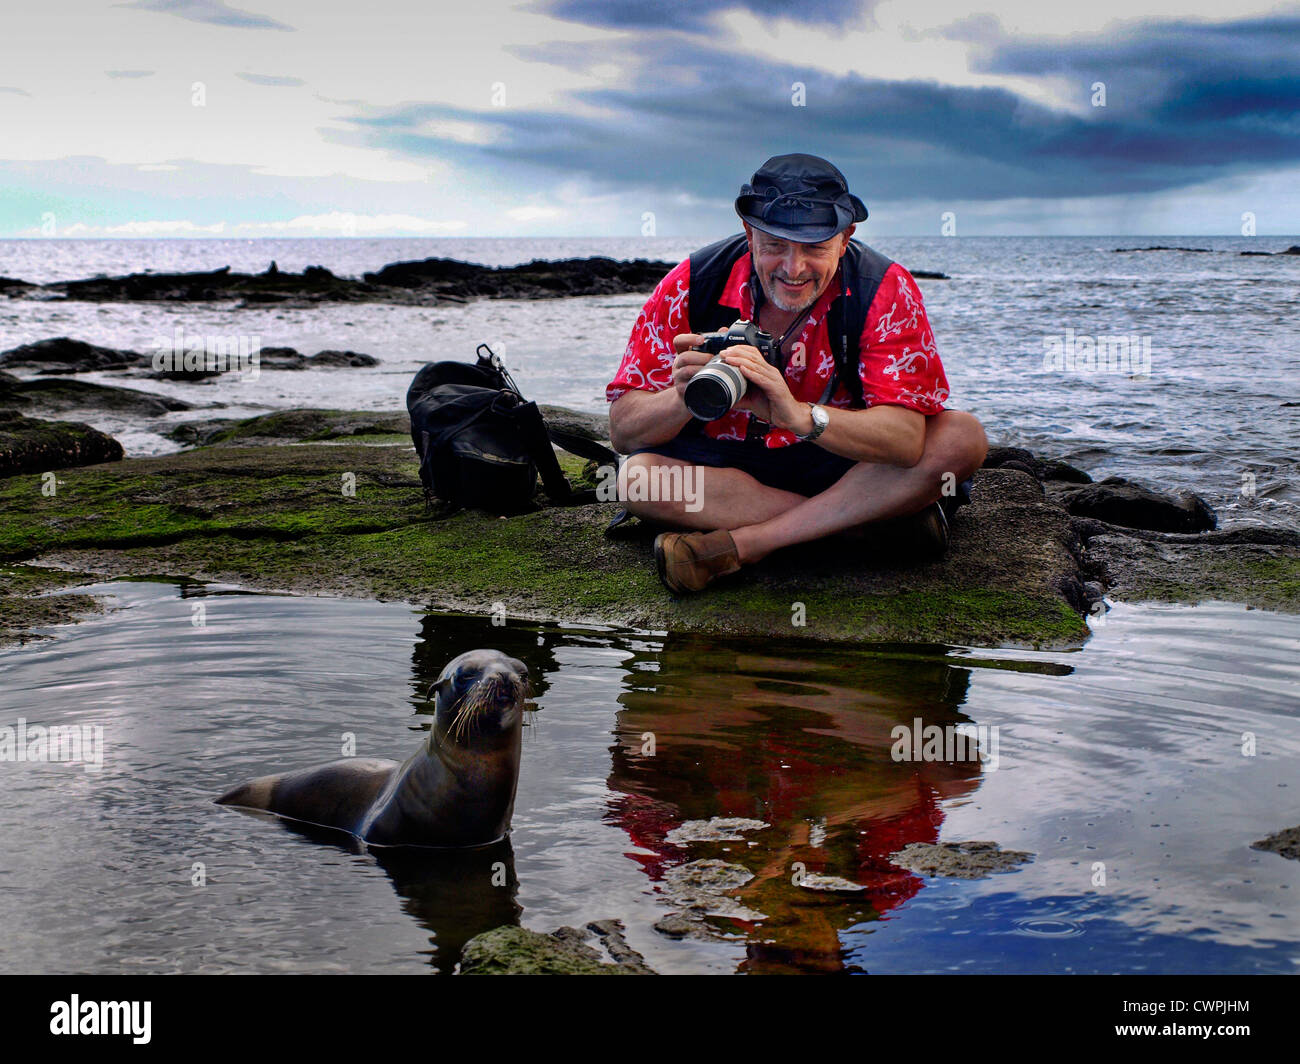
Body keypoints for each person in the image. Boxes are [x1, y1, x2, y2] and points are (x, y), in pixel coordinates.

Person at [606, 153, 988, 594]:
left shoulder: (883, 288)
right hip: (724, 466)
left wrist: (798, 416)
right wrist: (682, 397)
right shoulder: (694, 282)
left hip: (842, 463)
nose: (793, 269)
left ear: (846, 239)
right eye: (774, 246)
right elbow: (624, 433)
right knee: (640, 479)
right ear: (749, 234)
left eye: (814, 247)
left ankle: (748, 543)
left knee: (961, 437)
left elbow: (905, 441)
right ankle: (866, 526)